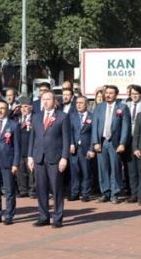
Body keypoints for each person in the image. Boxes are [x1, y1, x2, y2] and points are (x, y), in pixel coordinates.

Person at [27, 91, 70, 228]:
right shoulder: (36, 117)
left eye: (48, 99)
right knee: (40, 188)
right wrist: (30, 156)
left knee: (56, 189)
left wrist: (64, 157)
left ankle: (57, 218)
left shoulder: (62, 117)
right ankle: (43, 216)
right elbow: (32, 138)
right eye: (43, 99)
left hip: (55, 158)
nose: (45, 102)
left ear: (54, 101)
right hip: (39, 157)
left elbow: (66, 139)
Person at [90, 84, 131, 204]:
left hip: (115, 142)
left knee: (115, 168)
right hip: (102, 142)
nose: (108, 95)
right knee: (102, 169)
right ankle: (105, 192)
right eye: (106, 93)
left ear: (116, 95)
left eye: (111, 93)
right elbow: (95, 126)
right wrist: (95, 142)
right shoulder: (99, 107)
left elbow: (126, 127)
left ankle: (115, 193)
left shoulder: (122, 107)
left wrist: (123, 143)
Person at [69, 96, 94, 202]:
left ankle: (85, 193)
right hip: (74, 148)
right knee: (74, 171)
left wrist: (91, 148)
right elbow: (69, 131)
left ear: (86, 104)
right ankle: (74, 192)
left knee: (86, 171)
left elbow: (94, 134)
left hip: (86, 148)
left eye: (81, 103)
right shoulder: (71, 116)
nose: (78, 105)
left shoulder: (92, 116)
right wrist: (71, 143)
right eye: (77, 103)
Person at [124, 85, 141, 202]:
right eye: (132, 94)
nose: (134, 96)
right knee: (131, 170)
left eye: (136, 93)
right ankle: (134, 193)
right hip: (128, 141)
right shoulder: (126, 106)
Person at [16, 97, 36, 198]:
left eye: (26, 107)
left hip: (31, 147)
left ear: (31, 108)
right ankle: (23, 189)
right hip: (20, 148)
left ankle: (32, 190)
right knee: (20, 170)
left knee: (31, 171)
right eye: (22, 107)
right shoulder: (17, 118)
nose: (23, 109)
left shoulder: (35, 118)